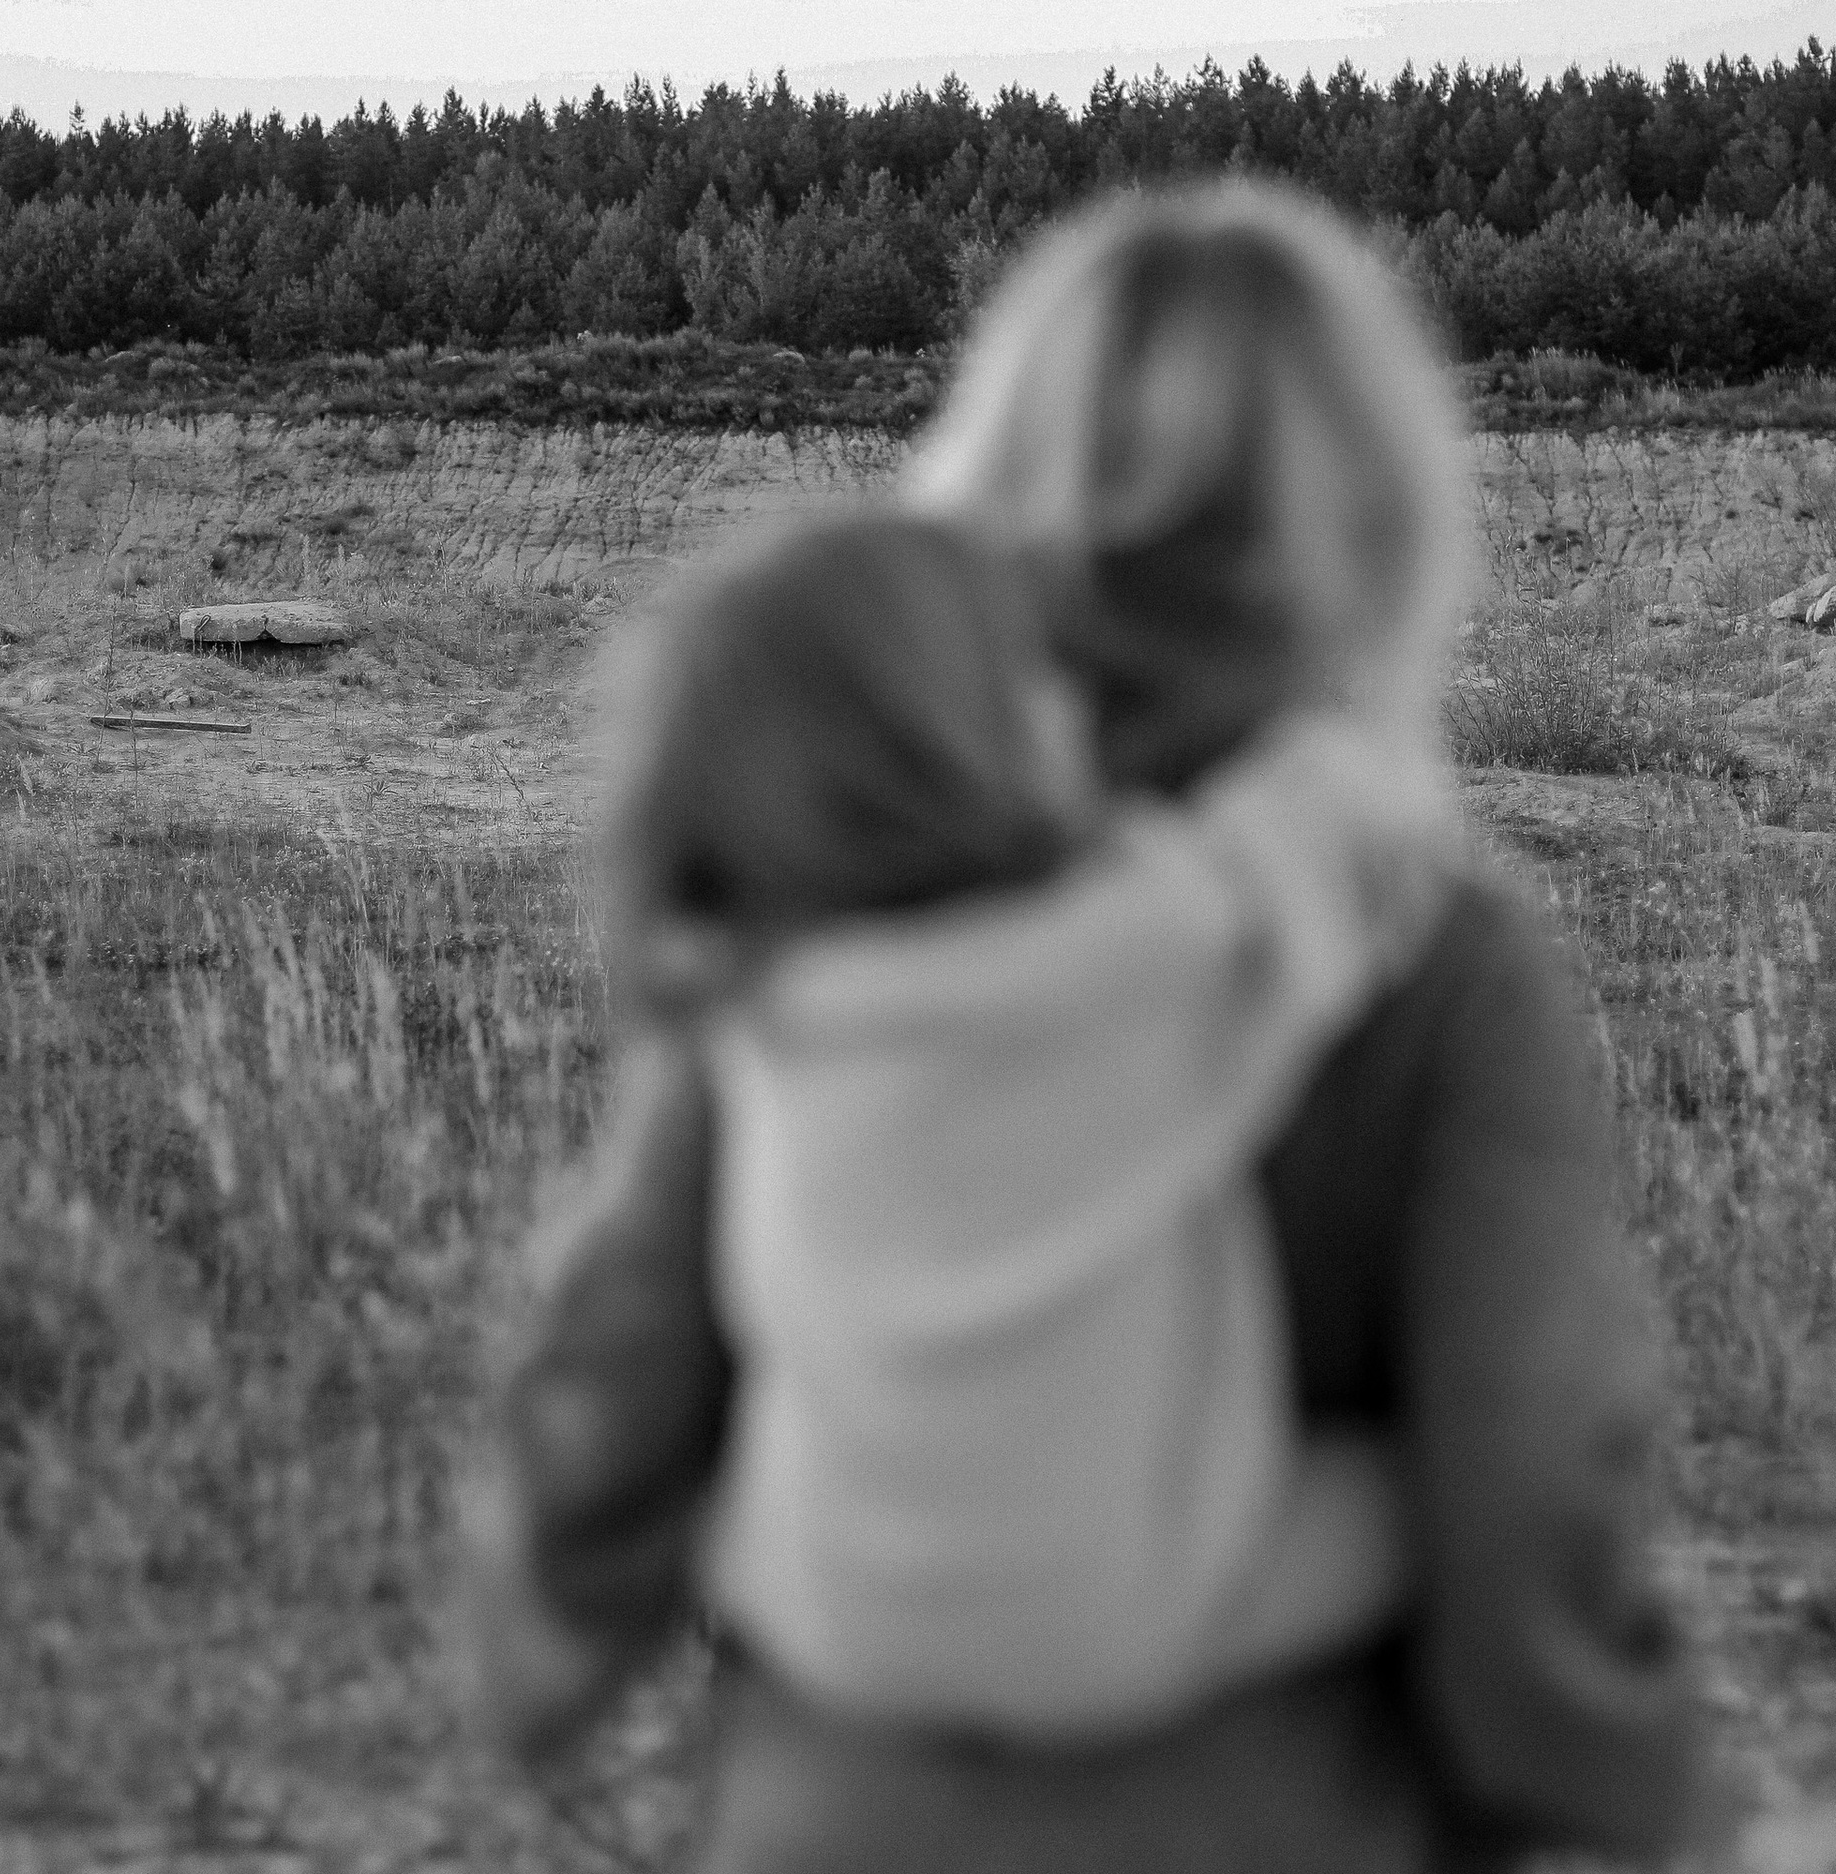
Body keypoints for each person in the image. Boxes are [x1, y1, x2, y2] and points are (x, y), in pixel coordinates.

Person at [475, 181, 1705, 1874]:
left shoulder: (837, 894)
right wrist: (1583, 1741)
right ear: (1381, 523)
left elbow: (625, 1351)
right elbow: (1535, 1471)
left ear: (989, 472)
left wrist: (557, 1628)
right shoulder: (1421, 941)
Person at [594, 504, 1463, 1739]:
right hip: (1095, 1637)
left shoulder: (767, 1003)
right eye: (1040, 674)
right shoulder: (1110, 970)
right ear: (952, 744)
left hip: (826, 1614)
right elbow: (1310, 847)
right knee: (1426, 1494)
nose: (1078, 705)